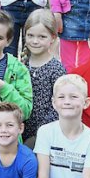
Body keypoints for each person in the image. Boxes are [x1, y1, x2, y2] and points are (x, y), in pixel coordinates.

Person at [20, 9, 66, 146]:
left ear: (52, 38)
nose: (35, 41)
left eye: (42, 37)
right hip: (20, 131)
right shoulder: (22, 66)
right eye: (30, 35)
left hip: (45, 136)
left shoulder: (56, 69)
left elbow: (59, 106)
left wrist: (40, 133)